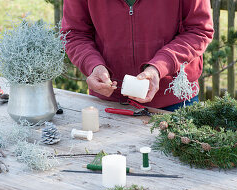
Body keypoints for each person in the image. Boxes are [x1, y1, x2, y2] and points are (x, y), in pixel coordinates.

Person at [61, 0, 214, 111]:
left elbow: (199, 30)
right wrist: (93, 65)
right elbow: (74, 34)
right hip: (109, 102)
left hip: (174, 100)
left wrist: (159, 67)